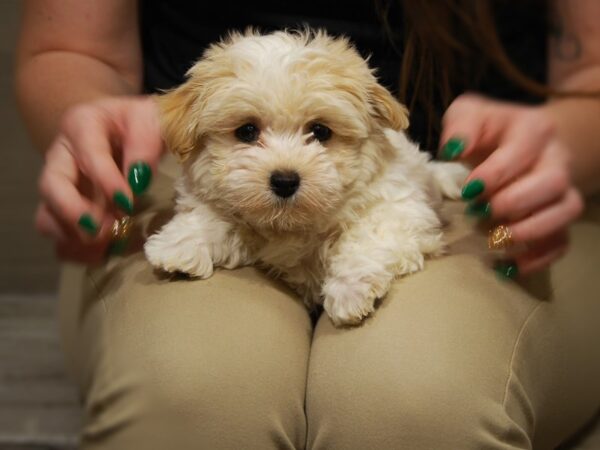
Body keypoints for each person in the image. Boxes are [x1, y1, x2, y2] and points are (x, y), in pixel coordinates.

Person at [15, 1, 600, 449]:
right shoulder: (192, 136)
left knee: (416, 403)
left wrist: (563, 145)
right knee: (193, 396)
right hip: (175, 179)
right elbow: (69, 48)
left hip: (495, 204)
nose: (286, 166)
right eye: (249, 132)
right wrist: (99, 136)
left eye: (318, 132)